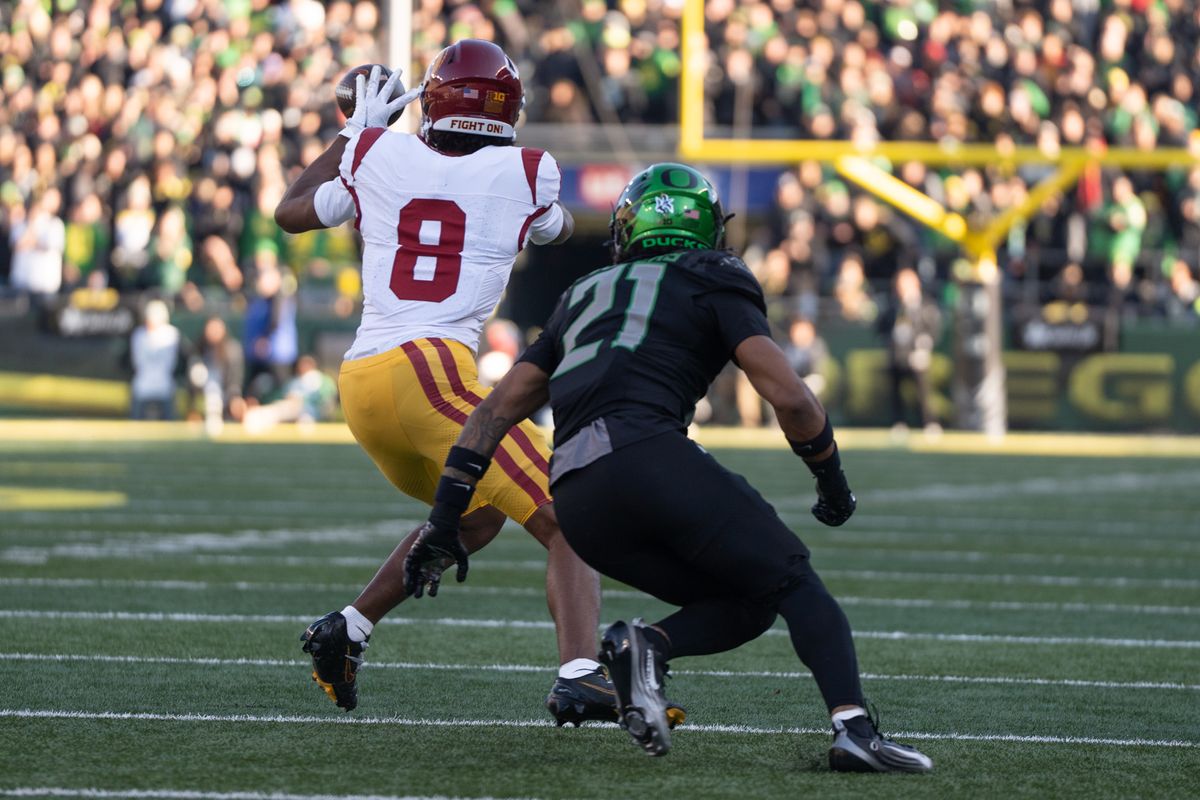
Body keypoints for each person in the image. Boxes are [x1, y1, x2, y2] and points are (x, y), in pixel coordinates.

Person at [405, 163, 933, 772]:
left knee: (751, 600)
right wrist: (832, 483)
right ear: (709, 229)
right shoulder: (715, 274)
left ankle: (647, 645)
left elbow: (492, 414)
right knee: (793, 578)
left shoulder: (583, 294)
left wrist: (444, 518)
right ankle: (855, 732)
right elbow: (791, 398)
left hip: (577, 496)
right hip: (647, 454)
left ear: (627, 230)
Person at [273, 41, 638, 727]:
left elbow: (289, 211)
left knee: (477, 516)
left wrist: (353, 134)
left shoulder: (374, 153)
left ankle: (347, 628)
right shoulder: (529, 171)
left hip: (364, 384)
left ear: (431, 101)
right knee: (573, 510)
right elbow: (556, 226)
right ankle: (579, 675)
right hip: (430, 374)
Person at [878, 267, 942, 436]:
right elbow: (882, 327)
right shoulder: (893, 306)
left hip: (917, 356)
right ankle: (899, 423)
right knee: (896, 392)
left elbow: (933, 329)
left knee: (923, 392)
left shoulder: (926, 305)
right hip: (897, 356)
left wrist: (924, 348)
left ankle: (930, 423)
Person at [129, 299, 181, 420]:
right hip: (142, 386)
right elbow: (137, 362)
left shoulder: (171, 334)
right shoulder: (139, 335)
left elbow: (172, 363)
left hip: (165, 387)